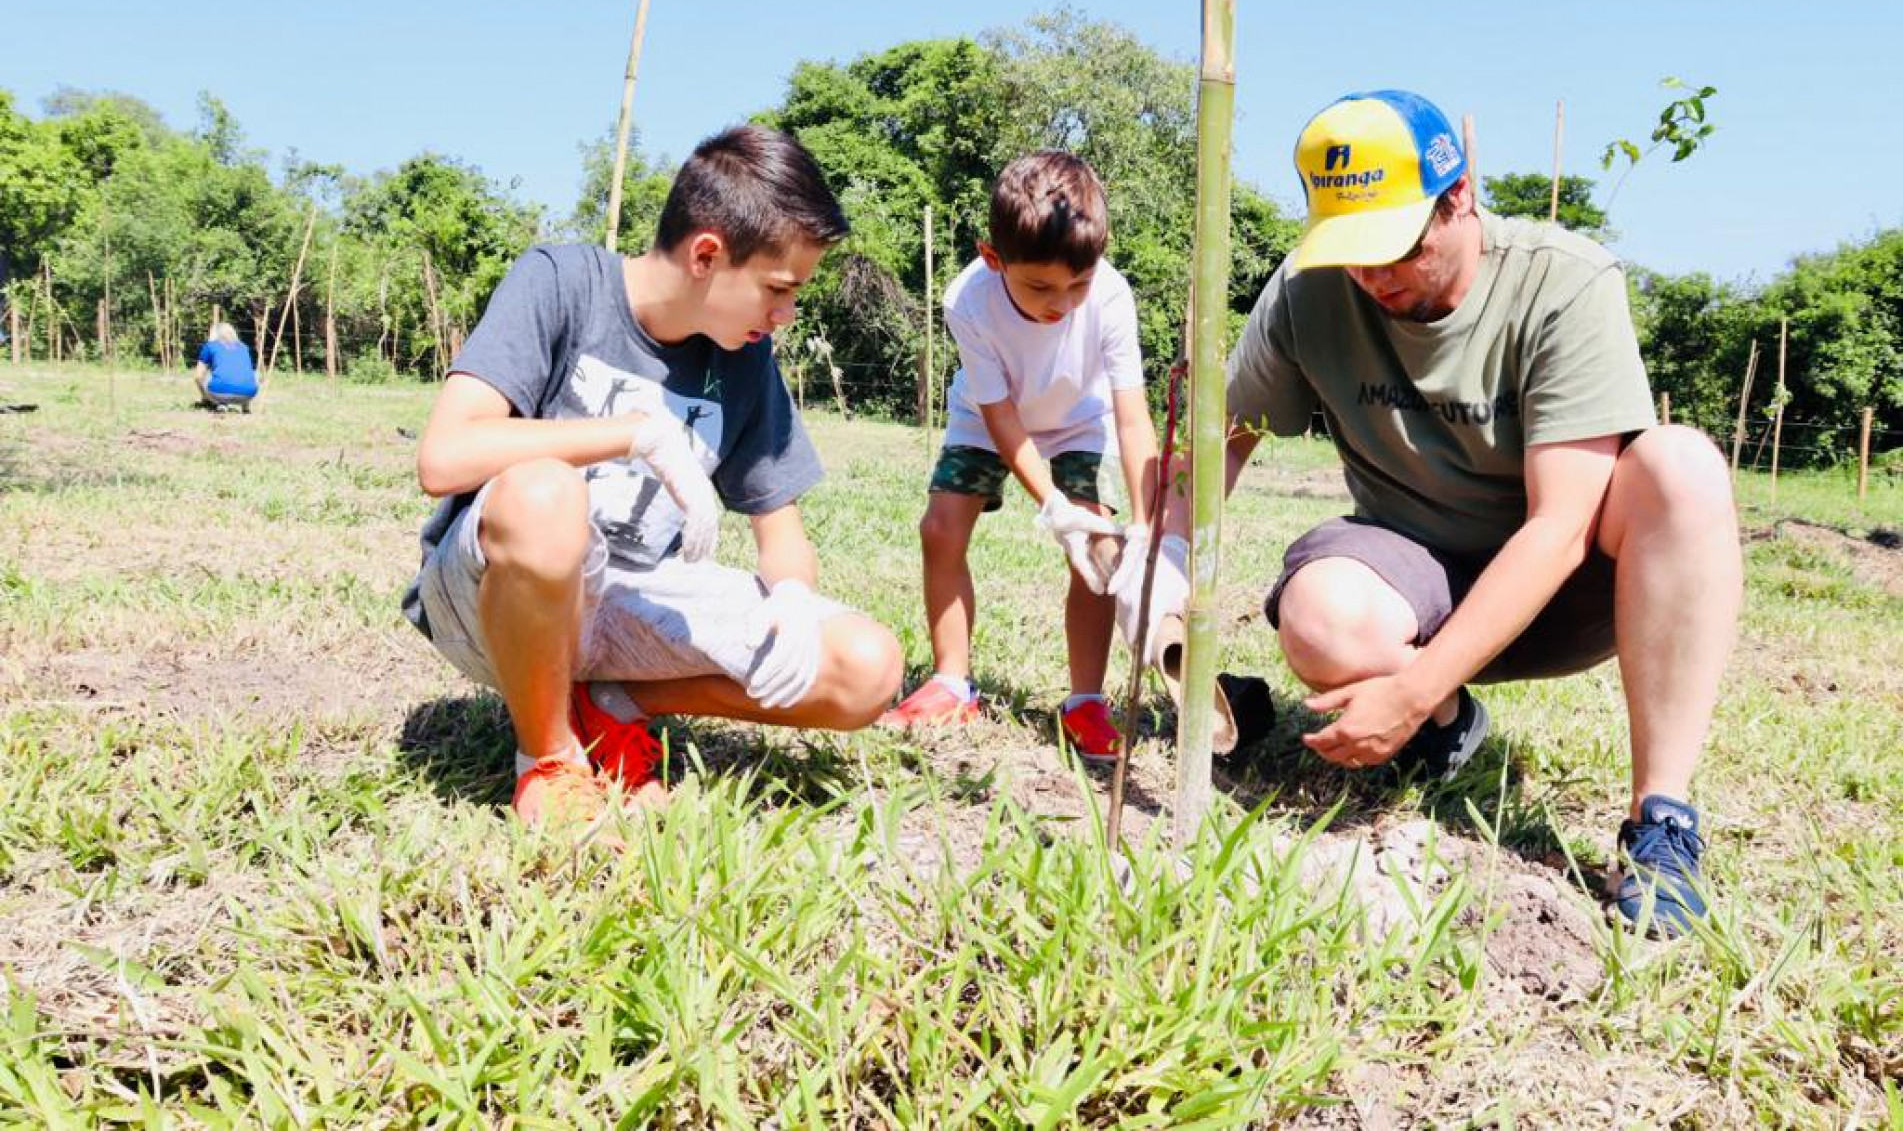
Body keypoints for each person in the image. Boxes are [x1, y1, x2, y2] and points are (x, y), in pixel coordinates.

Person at [1133, 90, 1740, 934]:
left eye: (1395, 249)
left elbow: (1558, 527)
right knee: (1318, 615)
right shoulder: (1309, 292)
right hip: (1415, 571)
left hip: (1570, 589)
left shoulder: (1561, 284)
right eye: (1352, 254)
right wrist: (1151, 565)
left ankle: (1660, 821)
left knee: (1682, 467)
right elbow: (1221, 445)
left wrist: (1416, 687)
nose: (1374, 279)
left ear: (1458, 197)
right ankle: (1452, 731)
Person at [402, 125, 903, 840]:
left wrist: (791, 599)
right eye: (778, 288)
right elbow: (444, 456)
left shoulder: (743, 359)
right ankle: (547, 759)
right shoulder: (561, 280)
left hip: (635, 603)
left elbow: (780, 530)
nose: (785, 314)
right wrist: (633, 432)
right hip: (497, 600)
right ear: (707, 253)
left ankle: (615, 702)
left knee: (867, 667)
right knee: (547, 492)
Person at [884, 151, 1159, 762]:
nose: (1060, 303)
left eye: (1077, 284)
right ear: (993, 257)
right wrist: (1051, 504)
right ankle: (952, 682)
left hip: (1079, 424)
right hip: (986, 419)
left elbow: (1132, 415)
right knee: (940, 528)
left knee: (1094, 548)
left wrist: (1142, 521)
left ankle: (1085, 702)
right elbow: (1001, 414)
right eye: (1039, 286)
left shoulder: (1112, 298)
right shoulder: (968, 300)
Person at [193, 322, 258, 411]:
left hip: (219, 393)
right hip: (249, 394)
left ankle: (216, 402)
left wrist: (205, 396)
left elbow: (198, 376)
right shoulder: (244, 347)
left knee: (207, 375)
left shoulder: (210, 346)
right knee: (246, 374)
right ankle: (245, 406)